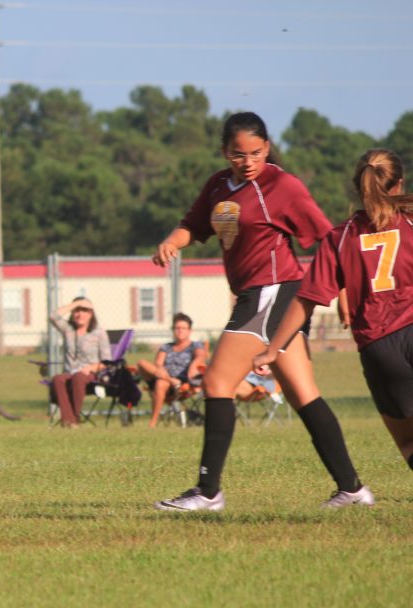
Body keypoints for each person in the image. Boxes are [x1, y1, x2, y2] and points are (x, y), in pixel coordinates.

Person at [151, 111, 371, 511]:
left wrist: (341, 291)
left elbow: (328, 238)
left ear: (267, 148)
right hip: (258, 296)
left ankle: (207, 492)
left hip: (274, 292)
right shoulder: (219, 186)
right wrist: (172, 241)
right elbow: (194, 225)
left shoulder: (282, 186)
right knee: (304, 395)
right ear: (224, 152)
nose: (248, 161)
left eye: (256, 152)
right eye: (238, 154)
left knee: (217, 383)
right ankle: (353, 490)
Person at [254, 148, 413, 484]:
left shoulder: (342, 237)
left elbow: (307, 299)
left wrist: (273, 348)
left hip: (380, 347)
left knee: (408, 441)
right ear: (399, 185)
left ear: (358, 186)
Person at [47, 297, 111, 427]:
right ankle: (69, 421)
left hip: (90, 374)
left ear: (91, 314)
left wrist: (92, 367)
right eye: (77, 310)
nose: (80, 314)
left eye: (84, 310)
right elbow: (53, 316)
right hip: (69, 373)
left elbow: (107, 362)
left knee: (78, 377)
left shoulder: (99, 333)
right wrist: (75, 303)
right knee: (58, 379)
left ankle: (73, 419)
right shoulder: (68, 329)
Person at [136, 313, 207, 428]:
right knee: (142, 363)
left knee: (161, 383)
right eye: (177, 328)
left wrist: (194, 365)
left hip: (181, 385)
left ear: (190, 331)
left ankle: (152, 423)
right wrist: (167, 376)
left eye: (183, 328)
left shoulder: (195, 345)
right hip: (164, 376)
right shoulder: (166, 347)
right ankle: (169, 380)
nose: (180, 331)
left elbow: (201, 356)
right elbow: (158, 363)